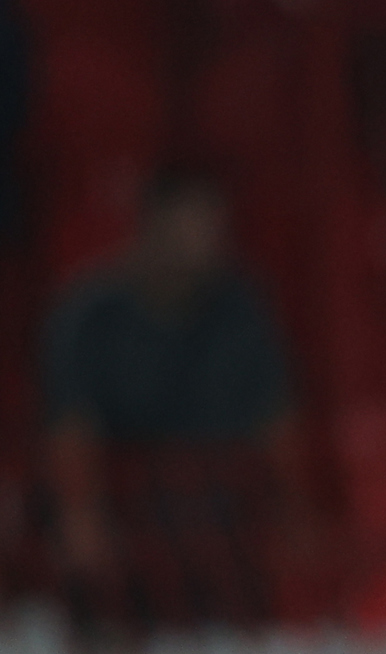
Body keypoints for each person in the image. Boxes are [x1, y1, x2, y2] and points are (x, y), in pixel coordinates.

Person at [42, 170, 307, 628]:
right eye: (187, 225)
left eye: (211, 227)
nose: (202, 240)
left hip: (221, 512)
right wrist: (81, 514)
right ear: (148, 226)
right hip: (132, 509)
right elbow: (71, 428)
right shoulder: (91, 314)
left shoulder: (241, 310)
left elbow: (276, 422)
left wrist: (295, 511)